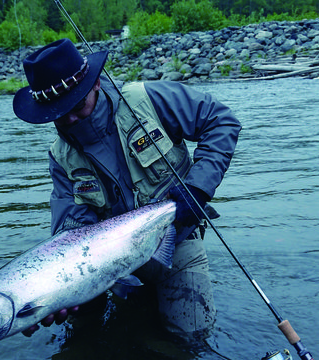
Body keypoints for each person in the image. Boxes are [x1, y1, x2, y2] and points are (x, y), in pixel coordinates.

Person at [12, 38, 241, 341]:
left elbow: (221, 121)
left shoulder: (147, 99)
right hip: (106, 262)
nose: (68, 118)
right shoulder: (60, 158)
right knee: (83, 335)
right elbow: (70, 229)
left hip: (176, 239)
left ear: (94, 85)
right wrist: (54, 291)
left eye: (77, 105)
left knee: (192, 340)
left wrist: (198, 187)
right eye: (57, 111)